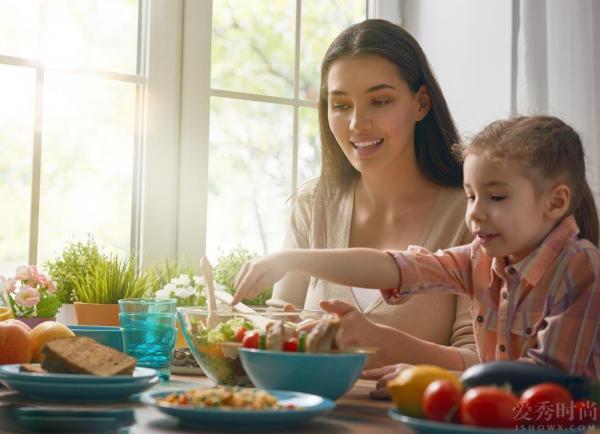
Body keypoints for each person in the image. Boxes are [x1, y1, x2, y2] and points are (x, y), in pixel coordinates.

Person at [233, 115, 600, 381]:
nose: (475, 213)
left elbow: (551, 382)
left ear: (555, 203)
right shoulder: (480, 258)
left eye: (497, 197)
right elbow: (395, 267)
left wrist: (433, 379)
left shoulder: (580, 266)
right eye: (471, 196)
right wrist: (291, 260)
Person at [267, 18, 479, 376]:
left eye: (379, 101)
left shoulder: (472, 213)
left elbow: (486, 361)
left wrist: (390, 346)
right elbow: (276, 325)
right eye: (341, 105)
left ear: (421, 103)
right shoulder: (312, 205)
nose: (357, 124)